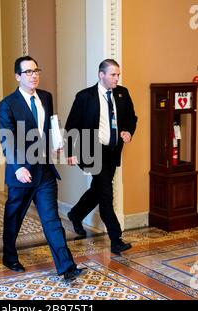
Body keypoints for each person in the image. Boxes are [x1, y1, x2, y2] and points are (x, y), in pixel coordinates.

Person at [0, 56, 83, 281]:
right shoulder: (8, 104)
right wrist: (17, 167)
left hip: (44, 170)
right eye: (28, 72)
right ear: (17, 76)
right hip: (22, 173)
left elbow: (52, 127)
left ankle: (66, 266)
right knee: (14, 217)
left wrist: (61, 147)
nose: (33, 75)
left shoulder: (46, 97)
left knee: (51, 219)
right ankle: (9, 255)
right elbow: (7, 139)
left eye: (36, 70)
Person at [64, 58, 138, 255]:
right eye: (113, 75)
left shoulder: (122, 93)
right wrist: (70, 152)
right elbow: (71, 126)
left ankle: (76, 213)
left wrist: (128, 132)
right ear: (101, 75)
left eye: (118, 75)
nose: (116, 78)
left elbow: (132, 118)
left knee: (98, 189)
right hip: (93, 153)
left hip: (112, 151)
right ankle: (116, 239)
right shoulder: (84, 97)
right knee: (106, 193)